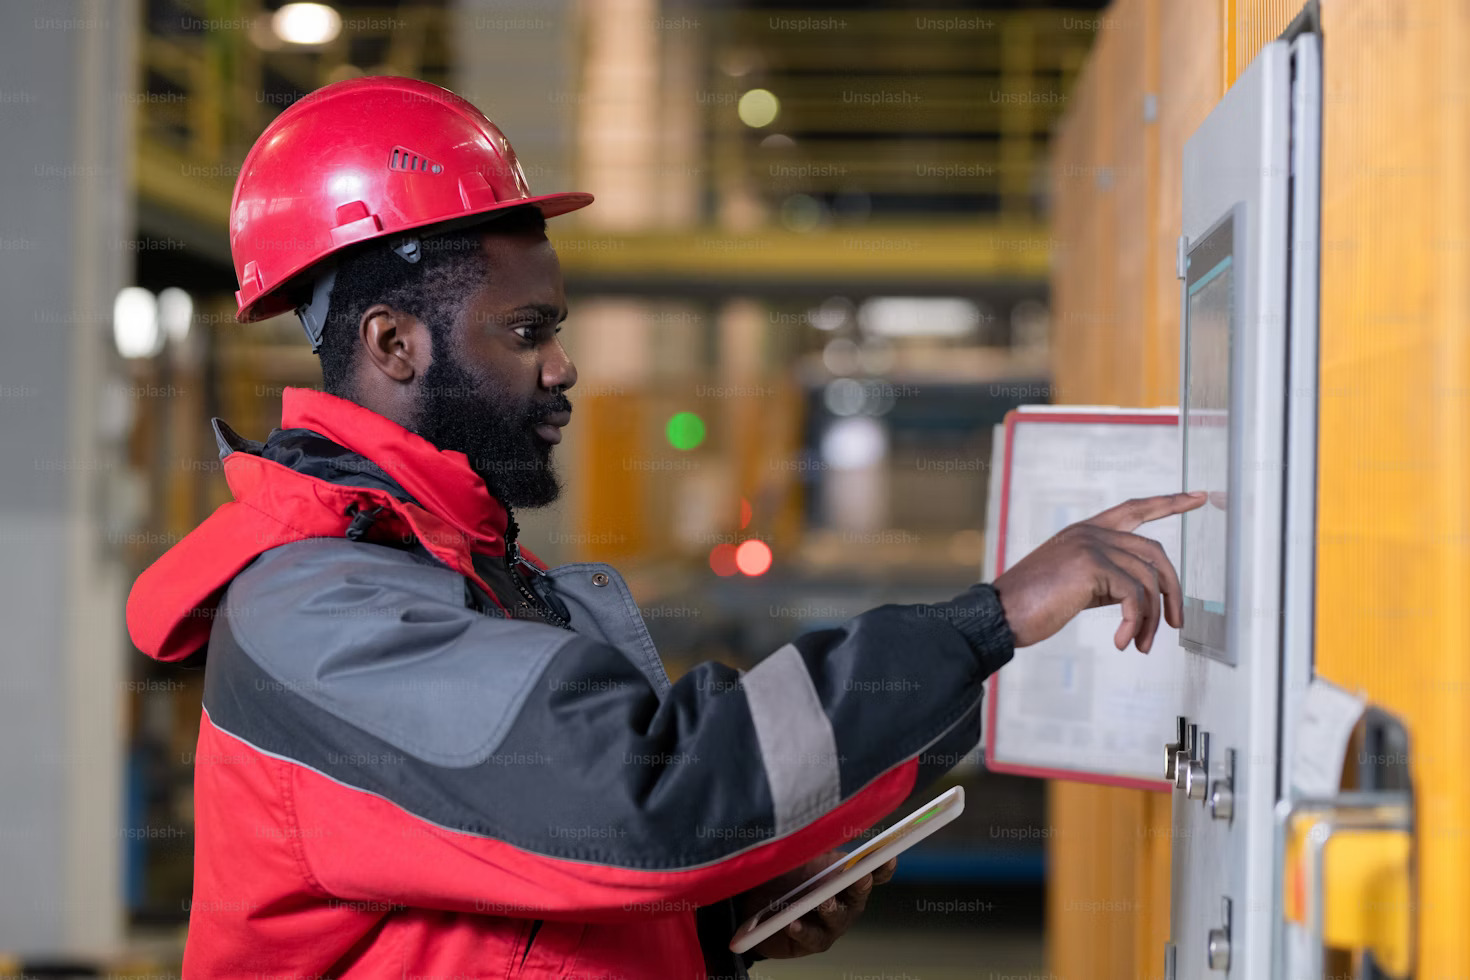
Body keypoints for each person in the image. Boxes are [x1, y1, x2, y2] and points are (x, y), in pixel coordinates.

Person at [126, 76, 1203, 979]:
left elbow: (508, 877)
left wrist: (710, 919)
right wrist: (989, 619)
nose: (562, 365)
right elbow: (641, 794)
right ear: (394, 343)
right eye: (527, 331)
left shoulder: (457, 570)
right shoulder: (325, 616)